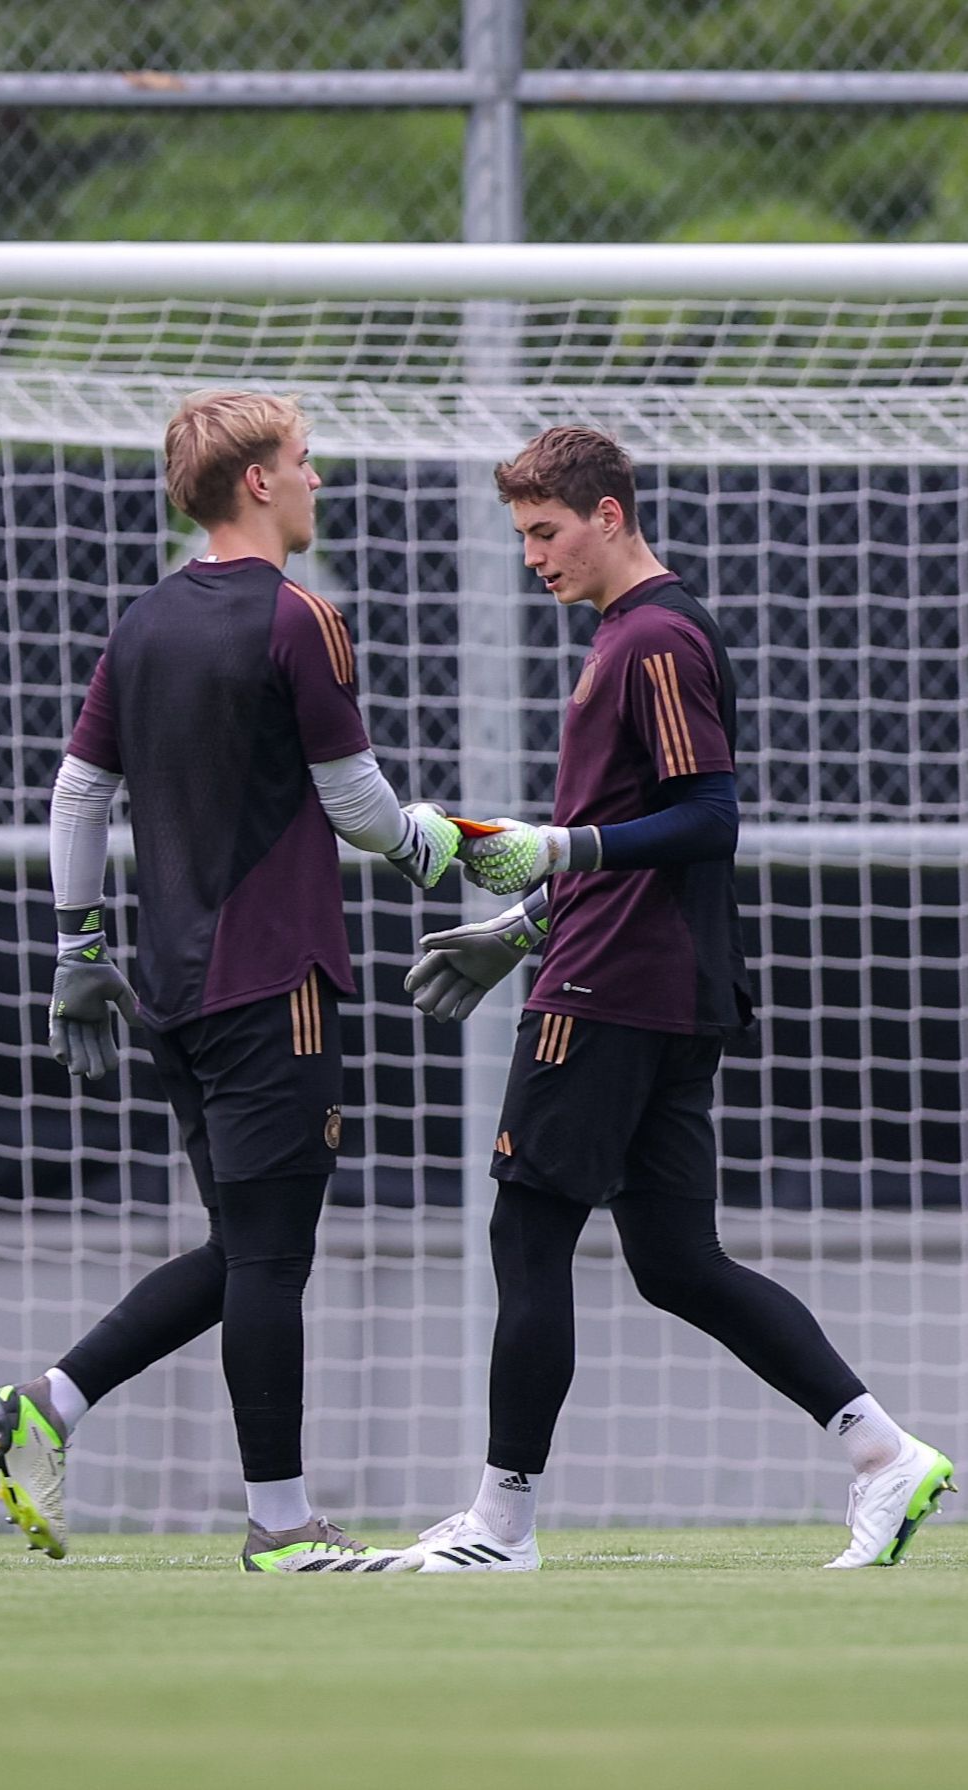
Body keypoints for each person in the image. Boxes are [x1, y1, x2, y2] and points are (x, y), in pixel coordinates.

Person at [405, 425, 955, 1573]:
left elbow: (708, 819)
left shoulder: (654, 636)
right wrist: (523, 921)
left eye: (546, 532)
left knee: (527, 1227)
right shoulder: (636, 632)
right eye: (521, 536)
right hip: (650, 981)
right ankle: (881, 1451)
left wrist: (558, 849)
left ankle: (502, 1523)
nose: (534, 557)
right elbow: (648, 833)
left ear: (609, 514)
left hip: (609, 994)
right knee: (674, 1260)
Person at [0, 390, 461, 1575]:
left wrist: (77, 946)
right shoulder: (301, 617)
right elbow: (354, 804)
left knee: (244, 1242)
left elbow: (77, 796)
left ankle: (55, 1397)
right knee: (273, 1255)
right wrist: (428, 845)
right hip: (274, 978)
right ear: (255, 481)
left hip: (172, 986)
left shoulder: (141, 623)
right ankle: (282, 1522)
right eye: (301, 460)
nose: (315, 479)